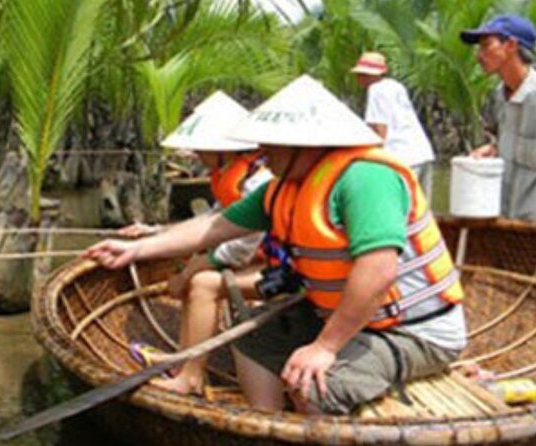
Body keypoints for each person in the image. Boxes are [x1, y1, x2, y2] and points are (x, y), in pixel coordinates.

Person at [86, 75, 467, 414]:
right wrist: (137, 249)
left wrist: (325, 347)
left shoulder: (365, 179)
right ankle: (269, 425)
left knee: (315, 385)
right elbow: (215, 226)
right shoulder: (282, 187)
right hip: (353, 319)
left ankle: (317, 416)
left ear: (309, 143)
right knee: (251, 337)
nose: (263, 150)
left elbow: (378, 270)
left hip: (414, 330)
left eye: (274, 142)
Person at [119, 90, 272, 395]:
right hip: (256, 258)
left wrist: (191, 270)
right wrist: (156, 232)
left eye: (203, 148)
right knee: (196, 274)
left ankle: (191, 376)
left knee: (201, 282)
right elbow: (216, 221)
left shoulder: (259, 180)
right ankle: (183, 360)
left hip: (273, 265)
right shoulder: (231, 173)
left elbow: (242, 243)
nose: (198, 155)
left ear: (223, 148)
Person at [460, 14, 536, 220]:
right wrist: (493, 150)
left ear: (510, 45)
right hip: (508, 225)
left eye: (486, 45)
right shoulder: (498, 97)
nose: (478, 55)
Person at [351, 52, 436, 199]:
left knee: (402, 207)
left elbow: (380, 128)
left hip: (402, 156)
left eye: (360, 74)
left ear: (367, 75)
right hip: (422, 152)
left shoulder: (375, 90)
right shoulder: (395, 86)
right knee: (422, 210)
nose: (358, 78)